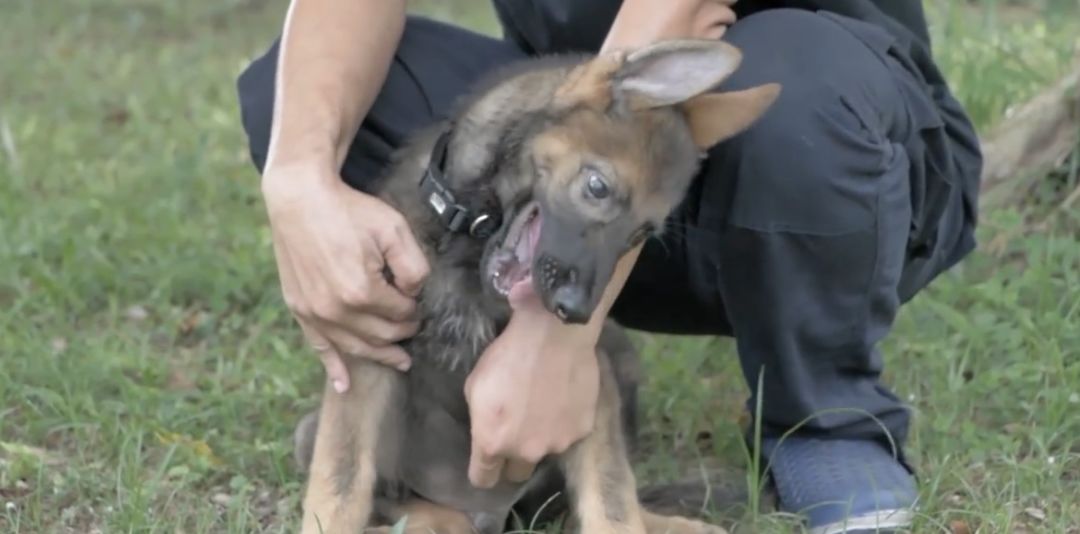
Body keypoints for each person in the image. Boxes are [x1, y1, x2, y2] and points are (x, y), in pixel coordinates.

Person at [235, 0, 983, 531]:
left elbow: (672, 25)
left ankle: (825, 418)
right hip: (592, 159)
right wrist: (300, 180)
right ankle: (455, 422)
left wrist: (554, 338)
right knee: (313, 91)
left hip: (832, 192)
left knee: (798, 97)